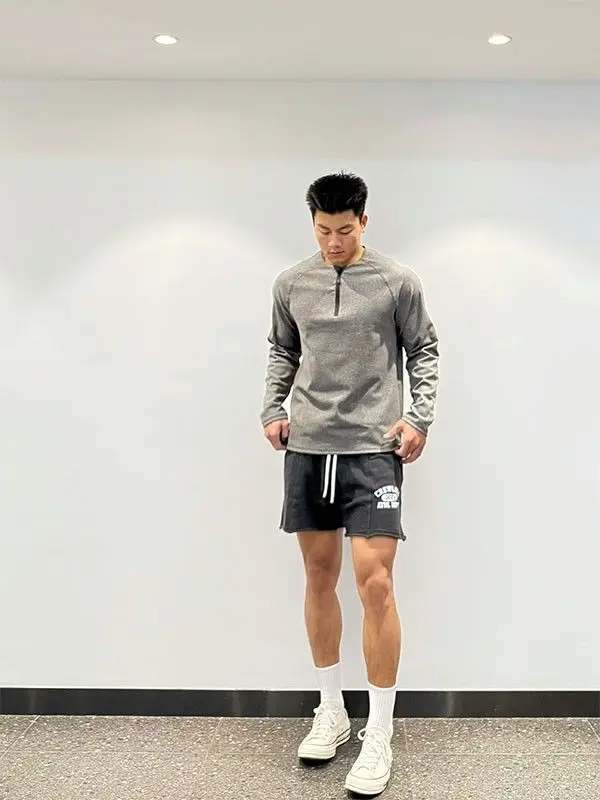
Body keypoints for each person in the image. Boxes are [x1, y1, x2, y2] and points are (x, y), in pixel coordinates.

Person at [260, 172, 439, 796]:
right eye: (322, 231)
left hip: (373, 450)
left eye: (344, 230)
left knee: (376, 584)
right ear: (313, 224)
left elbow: (424, 349)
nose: (333, 243)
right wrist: (273, 407)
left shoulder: (397, 281)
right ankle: (332, 710)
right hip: (309, 448)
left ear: (364, 221)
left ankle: (379, 729)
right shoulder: (291, 283)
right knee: (317, 576)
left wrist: (418, 417)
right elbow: (282, 350)